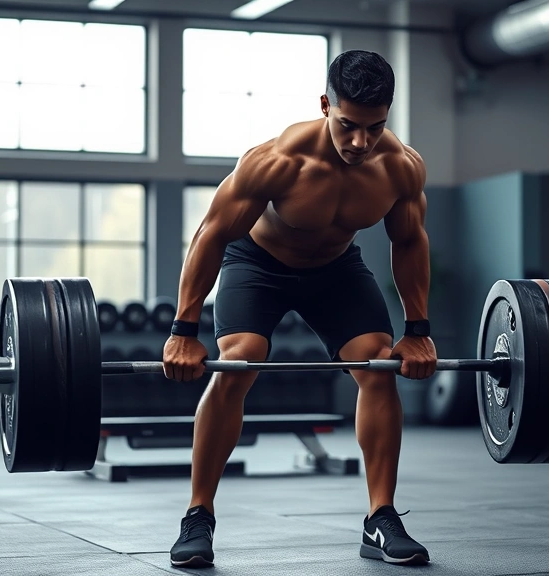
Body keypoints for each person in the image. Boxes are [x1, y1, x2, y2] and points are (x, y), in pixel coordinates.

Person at [163, 49, 436, 568]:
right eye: (349, 124)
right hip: (258, 264)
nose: (360, 142)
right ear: (324, 105)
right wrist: (183, 329)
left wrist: (418, 329)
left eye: (374, 128)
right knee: (239, 361)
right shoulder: (277, 160)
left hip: (336, 271)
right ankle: (198, 515)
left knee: (378, 365)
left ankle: (381, 518)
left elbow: (409, 242)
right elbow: (212, 235)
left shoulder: (401, 169)